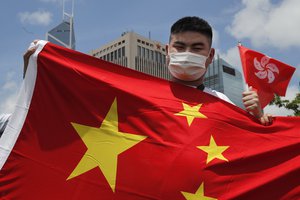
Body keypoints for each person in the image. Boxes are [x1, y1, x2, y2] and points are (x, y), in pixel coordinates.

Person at [166, 16, 272, 125]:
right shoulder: (147, 94)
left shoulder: (222, 102)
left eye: (196, 48)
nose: (187, 54)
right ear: (167, 50)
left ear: (211, 55)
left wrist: (258, 119)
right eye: (179, 47)